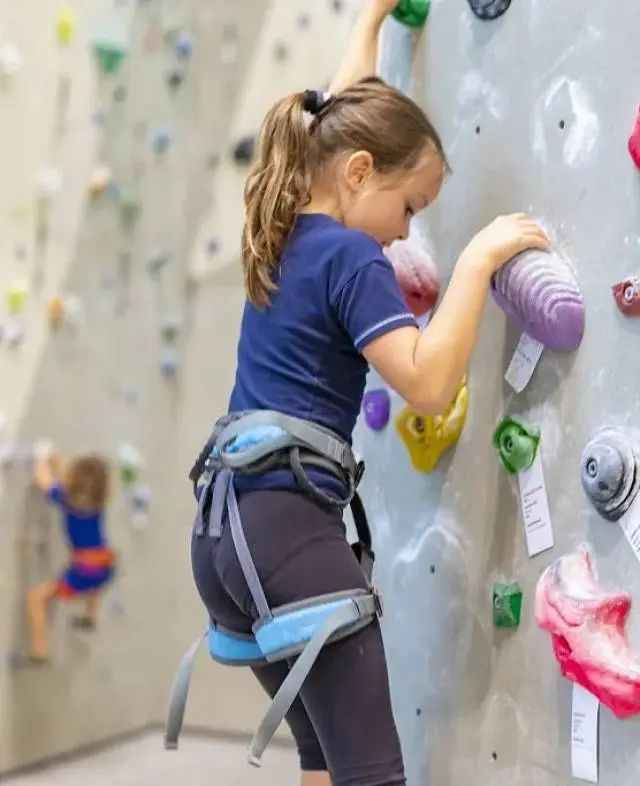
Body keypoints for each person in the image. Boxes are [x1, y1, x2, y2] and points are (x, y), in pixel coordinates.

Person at [191, 1, 550, 784]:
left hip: (225, 538)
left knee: (324, 760)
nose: (403, 232)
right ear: (358, 173)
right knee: (374, 774)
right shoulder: (353, 255)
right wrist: (478, 261)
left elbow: (335, 117)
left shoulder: (284, 219)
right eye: (410, 206)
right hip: (288, 532)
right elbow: (426, 384)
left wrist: (370, 24)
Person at [27, 451, 115, 663]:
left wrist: (43, 458)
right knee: (94, 585)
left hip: (83, 569)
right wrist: (58, 463)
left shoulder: (64, 497)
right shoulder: (97, 503)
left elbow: (43, 479)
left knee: (36, 598)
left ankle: (40, 650)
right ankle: (90, 616)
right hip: (105, 562)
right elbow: (80, 485)